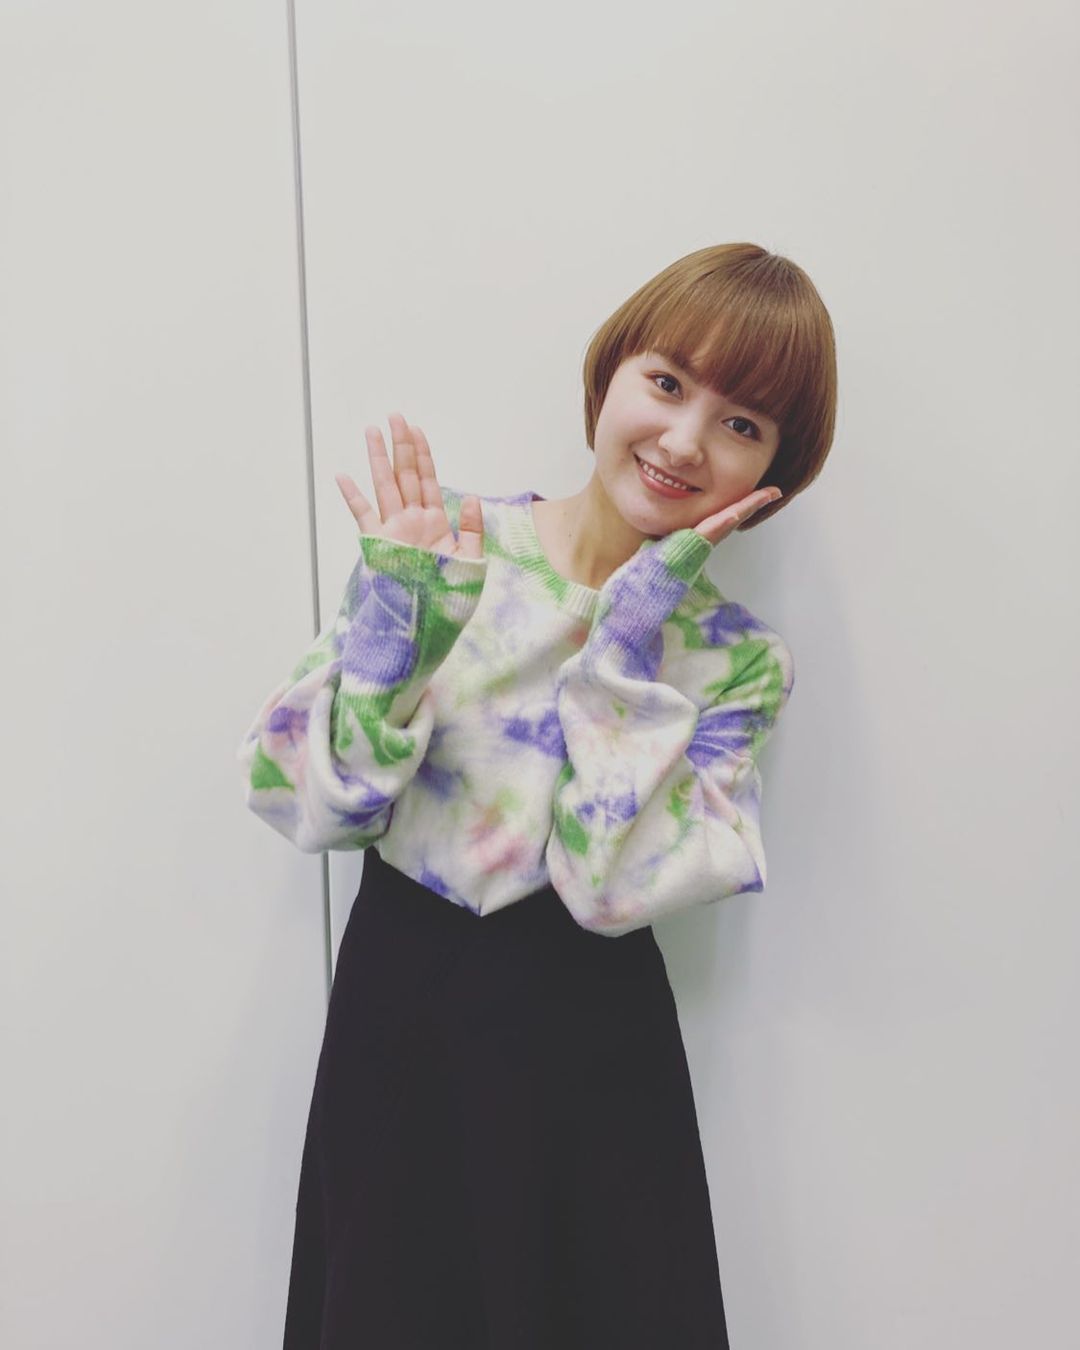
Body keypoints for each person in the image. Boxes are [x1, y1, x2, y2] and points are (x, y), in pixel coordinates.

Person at [237, 241, 837, 1348]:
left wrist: (629, 641)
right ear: (609, 374)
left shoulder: (738, 661)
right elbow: (307, 807)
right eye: (667, 382)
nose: (685, 441)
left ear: (772, 475)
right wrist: (401, 625)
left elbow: (609, 891)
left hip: (593, 1049)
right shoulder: (447, 546)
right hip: (404, 1016)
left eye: (742, 424)